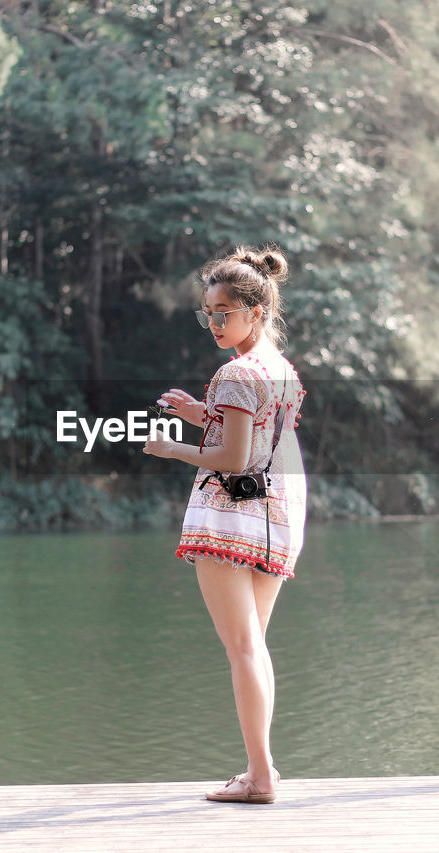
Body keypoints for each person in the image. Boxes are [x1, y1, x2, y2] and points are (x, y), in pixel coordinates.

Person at [143, 244, 308, 805]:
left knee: (242, 649)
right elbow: (264, 442)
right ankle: (261, 769)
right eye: (207, 313)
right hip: (275, 517)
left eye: (223, 313)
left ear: (255, 312)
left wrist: (177, 447)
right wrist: (204, 414)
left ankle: (260, 777)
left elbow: (233, 460)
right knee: (254, 647)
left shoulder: (236, 371)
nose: (213, 323)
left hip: (229, 519)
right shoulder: (277, 368)